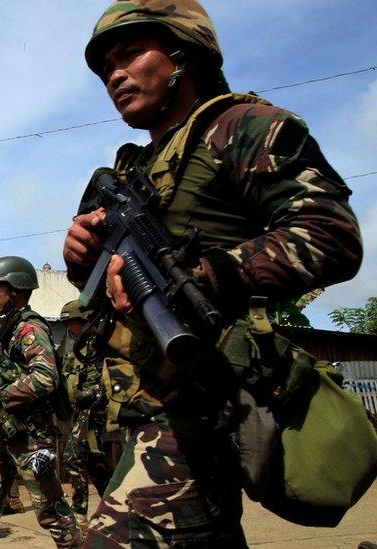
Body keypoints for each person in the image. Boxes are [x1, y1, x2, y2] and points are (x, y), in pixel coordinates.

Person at [65, 1, 362, 545]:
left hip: (208, 398)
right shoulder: (134, 166)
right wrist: (83, 256)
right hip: (140, 401)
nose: (115, 74)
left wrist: (202, 277)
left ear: (183, 54)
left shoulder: (245, 127)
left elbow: (331, 236)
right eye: (106, 65)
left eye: (130, 54)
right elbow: (101, 292)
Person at [0, 257, 79, 548]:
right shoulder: (9, 329)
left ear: (15, 290)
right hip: (3, 434)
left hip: (29, 438)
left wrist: (0, 395)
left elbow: (45, 377)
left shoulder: (29, 328)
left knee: (52, 514)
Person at [57, 300, 112, 534]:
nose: (70, 328)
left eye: (72, 322)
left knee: (72, 457)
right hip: (82, 412)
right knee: (95, 465)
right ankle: (113, 507)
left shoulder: (99, 345)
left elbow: (106, 381)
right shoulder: (78, 347)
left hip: (95, 412)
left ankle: (79, 515)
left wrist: (85, 394)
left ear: (86, 320)